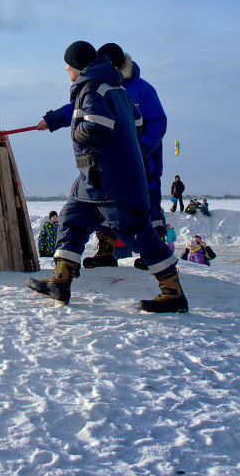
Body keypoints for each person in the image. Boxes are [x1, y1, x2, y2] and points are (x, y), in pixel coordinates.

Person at [25, 41, 188, 313]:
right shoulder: (113, 87)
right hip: (94, 178)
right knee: (72, 218)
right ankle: (60, 280)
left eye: (67, 66)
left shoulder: (92, 88)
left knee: (138, 232)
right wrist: (54, 120)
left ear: (77, 65)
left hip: (111, 180)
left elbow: (98, 127)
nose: (65, 70)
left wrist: (77, 132)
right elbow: (135, 122)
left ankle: (172, 292)